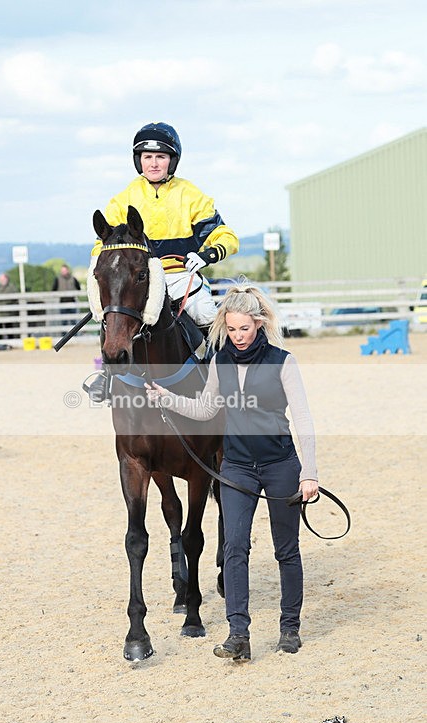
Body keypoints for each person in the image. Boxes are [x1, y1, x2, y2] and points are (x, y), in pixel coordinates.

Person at [145, 284, 319, 661]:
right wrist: (166, 398)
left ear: (258, 323)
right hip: (237, 467)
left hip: (280, 466)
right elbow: (207, 410)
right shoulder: (219, 362)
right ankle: (238, 634)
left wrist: (310, 472)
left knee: (286, 550)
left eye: (245, 328)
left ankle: (290, 627)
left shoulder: (282, 362)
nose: (238, 336)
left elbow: (303, 418)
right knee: (234, 548)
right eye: (232, 329)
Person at [87, 121, 239, 401]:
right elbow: (103, 244)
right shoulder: (122, 200)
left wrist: (206, 255)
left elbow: (225, 235)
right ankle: (107, 377)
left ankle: (225, 380)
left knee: (207, 315)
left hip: (181, 276)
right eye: (147, 157)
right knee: (112, 316)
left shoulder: (191, 195)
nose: (154, 164)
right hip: (138, 280)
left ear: (172, 160)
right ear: (138, 161)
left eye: (161, 157)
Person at [0, 273, 18, 339]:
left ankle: (11, 343)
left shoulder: (11, 287)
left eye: (3, 279)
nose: (2, 280)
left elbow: (14, 298)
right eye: (1, 279)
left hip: (9, 313)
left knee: (10, 330)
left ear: (7, 279)